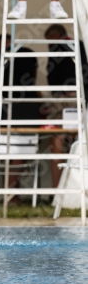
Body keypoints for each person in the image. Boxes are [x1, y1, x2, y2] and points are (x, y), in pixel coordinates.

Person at [0, 34, 41, 190]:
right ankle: (11, 192)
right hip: (30, 108)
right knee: (22, 148)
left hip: (5, 108)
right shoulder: (29, 54)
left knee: (7, 147)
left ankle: (10, 193)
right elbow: (33, 85)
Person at [44, 24, 88, 187]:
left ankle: (57, 189)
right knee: (81, 140)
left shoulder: (57, 47)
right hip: (82, 99)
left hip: (64, 101)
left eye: (48, 40)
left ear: (55, 36)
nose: (48, 45)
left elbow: (52, 77)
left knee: (57, 139)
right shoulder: (81, 45)